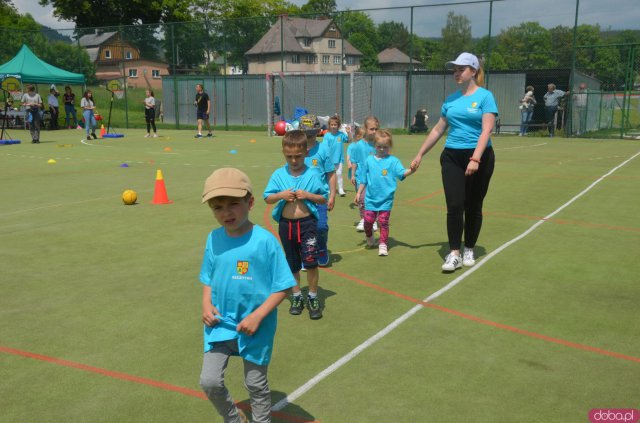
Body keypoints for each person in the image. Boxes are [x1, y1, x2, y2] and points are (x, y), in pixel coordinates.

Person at [199, 167, 296, 423]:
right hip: (220, 323)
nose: (225, 213)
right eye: (217, 207)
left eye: (233, 204)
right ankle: (234, 419)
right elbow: (208, 277)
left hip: (257, 325)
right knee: (209, 381)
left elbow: (285, 285)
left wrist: (258, 316)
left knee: (255, 384)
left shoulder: (264, 241)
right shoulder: (213, 238)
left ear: (250, 202)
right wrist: (206, 304)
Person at [411, 52, 498, 272]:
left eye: (461, 69)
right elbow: (439, 129)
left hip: (480, 157)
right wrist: (420, 153)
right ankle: (454, 253)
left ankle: (469, 247)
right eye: (455, 69)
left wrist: (476, 158)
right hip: (452, 156)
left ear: (473, 71)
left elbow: (487, 129)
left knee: (473, 205)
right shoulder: (450, 100)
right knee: (454, 205)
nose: (456, 73)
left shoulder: (486, 96)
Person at [264, 130, 328, 319]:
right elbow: (267, 198)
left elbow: (323, 198)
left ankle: (313, 296)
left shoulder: (313, 174)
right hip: (286, 225)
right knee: (292, 263)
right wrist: (281, 195)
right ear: (284, 153)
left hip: (307, 224)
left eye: (298, 156)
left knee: (310, 262)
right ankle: (297, 295)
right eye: (289, 156)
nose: (293, 160)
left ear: (306, 153)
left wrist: (308, 195)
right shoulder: (278, 175)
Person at [355, 129, 415, 256]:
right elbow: (363, 180)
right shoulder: (369, 160)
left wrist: (411, 170)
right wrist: (359, 193)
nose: (382, 149)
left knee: (383, 221)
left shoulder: (393, 161)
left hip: (386, 199)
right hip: (370, 198)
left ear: (390, 146)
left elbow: (401, 173)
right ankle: (369, 236)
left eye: (385, 147)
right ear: (374, 146)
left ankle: (383, 244)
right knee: (368, 221)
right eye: (379, 146)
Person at [299, 114, 336, 267]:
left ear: (318, 131)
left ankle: (321, 248)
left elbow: (331, 173)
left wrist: (332, 195)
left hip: (319, 197)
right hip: (301, 198)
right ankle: (305, 253)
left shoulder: (323, 149)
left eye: (312, 132)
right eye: (306, 132)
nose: (309, 136)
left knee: (320, 226)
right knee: (302, 229)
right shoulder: (297, 148)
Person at [350, 116, 379, 232]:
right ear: (365, 129)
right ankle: (363, 219)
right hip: (360, 177)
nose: (374, 131)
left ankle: (374, 221)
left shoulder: (378, 144)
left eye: (376, 129)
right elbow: (354, 161)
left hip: (374, 178)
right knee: (361, 199)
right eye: (372, 129)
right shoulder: (358, 145)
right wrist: (352, 175)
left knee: (373, 199)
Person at [321, 115, 349, 196]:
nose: (333, 126)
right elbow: (324, 147)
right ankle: (328, 188)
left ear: (338, 126)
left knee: (339, 173)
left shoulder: (341, 135)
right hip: (329, 159)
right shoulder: (327, 135)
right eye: (332, 125)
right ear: (329, 126)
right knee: (328, 174)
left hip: (339, 159)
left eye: (335, 125)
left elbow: (348, 140)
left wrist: (348, 132)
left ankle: (340, 189)